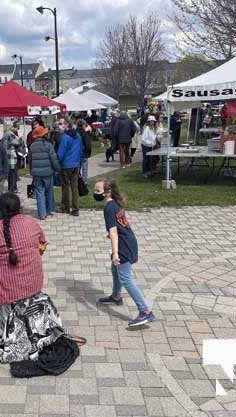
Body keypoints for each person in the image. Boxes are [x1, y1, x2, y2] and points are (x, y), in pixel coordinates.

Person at [0, 193, 63, 366]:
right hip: (33, 283)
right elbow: (42, 242)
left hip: (8, 290)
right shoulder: (32, 223)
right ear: (20, 208)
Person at [93, 180, 156, 327]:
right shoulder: (115, 203)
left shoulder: (108, 209)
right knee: (115, 270)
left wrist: (115, 253)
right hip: (129, 240)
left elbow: (114, 232)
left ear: (107, 193)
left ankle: (145, 311)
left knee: (126, 279)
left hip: (124, 246)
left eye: (97, 191)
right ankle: (116, 297)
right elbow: (121, 224)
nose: (95, 194)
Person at [29, 126, 61, 220]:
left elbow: (30, 161)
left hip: (36, 174)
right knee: (49, 191)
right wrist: (58, 169)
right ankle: (50, 209)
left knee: (39, 193)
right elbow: (53, 159)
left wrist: (31, 171)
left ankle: (42, 214)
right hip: (48, 173)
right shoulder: (48, 145)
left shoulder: (32, 146)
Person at [57, 120, 83, 216]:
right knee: (74, 187)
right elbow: (80, 150)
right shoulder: (78, 136)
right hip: (76, 164)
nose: (62, 127)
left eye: (63, 125)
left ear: (67, 126)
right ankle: (76, 209)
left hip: (66, 165)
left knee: (65, 187)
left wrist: (57, 161)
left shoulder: (65, 137)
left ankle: (65, 207)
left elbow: (61, 153)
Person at [1, 123, 21, 193]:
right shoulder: (10, 134)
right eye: (17, 128)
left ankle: (11, 187)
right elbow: (16, 142)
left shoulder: (5, 134)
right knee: (13, 173)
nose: (17, 130)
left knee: (10, 173)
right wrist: (20, 139)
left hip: (7, 155)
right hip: (11, 156)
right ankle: (12, 188)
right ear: (13, 127)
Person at [76, 119, 92, 185]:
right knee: (84, 169)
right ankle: (84, 182)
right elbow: (88, 145)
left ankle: (78, 182)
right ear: (83, 125)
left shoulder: (75, 133)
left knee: (77, 169)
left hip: (76, 154)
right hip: (84, 153)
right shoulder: (85, 134)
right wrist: (88, 153)